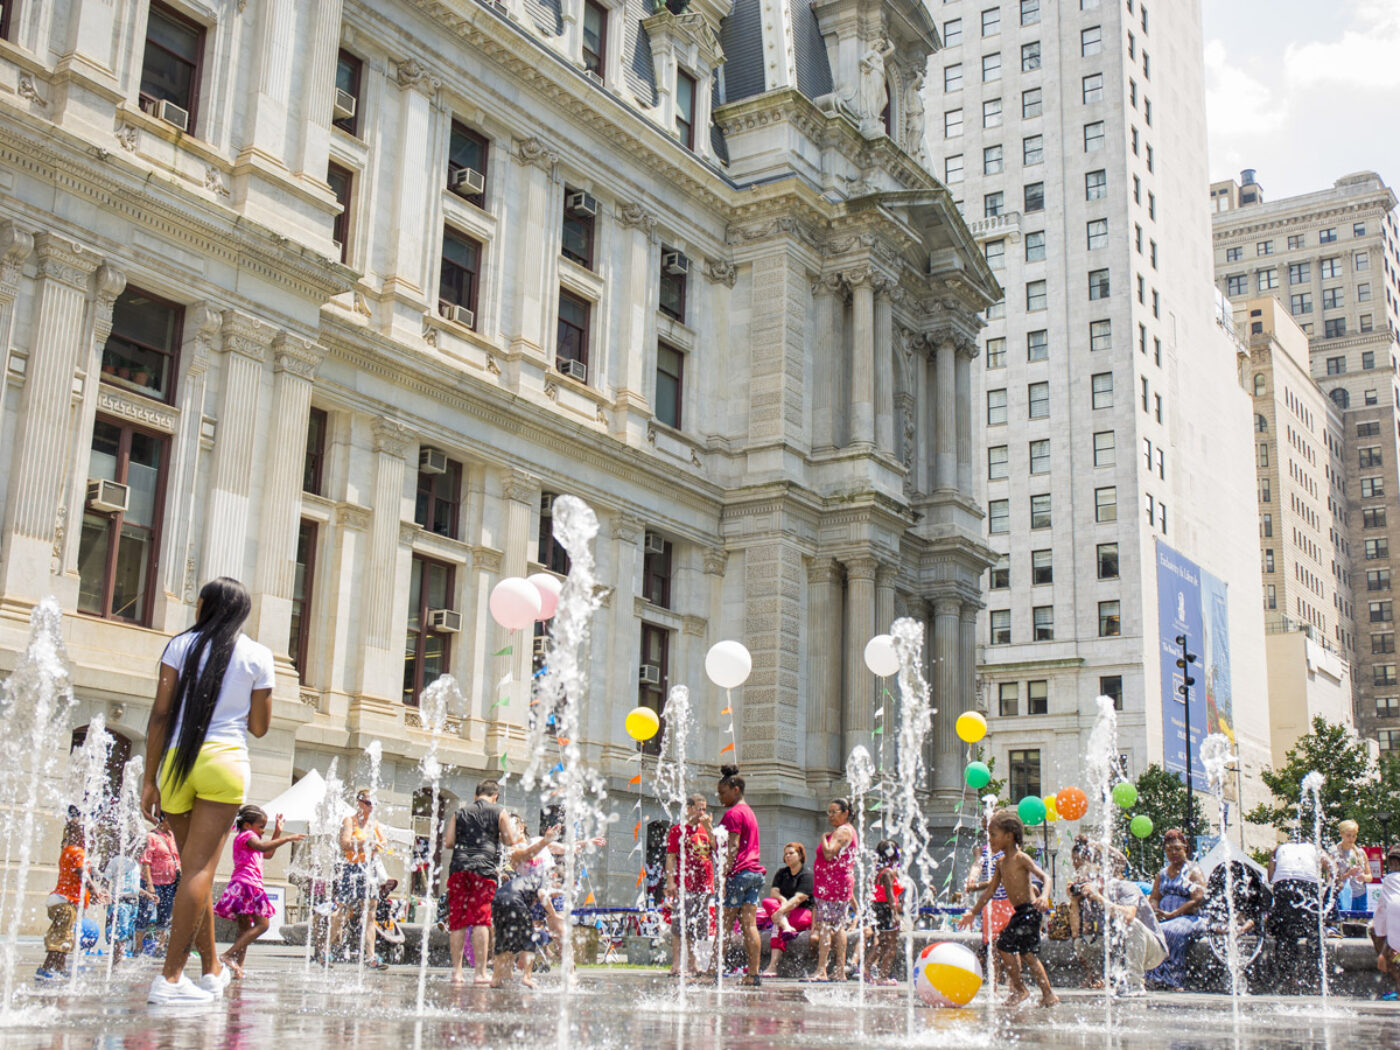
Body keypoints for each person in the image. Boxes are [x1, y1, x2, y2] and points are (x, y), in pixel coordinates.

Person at [141, 577, 275, 1005]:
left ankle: (211, 968)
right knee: (199, 874)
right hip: (224, 763)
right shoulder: (257, 655)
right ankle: (170, 978)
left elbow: (160, 716)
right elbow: (258, 727)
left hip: (178, 763)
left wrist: (149, 778)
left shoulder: (179, 645)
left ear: (204, 606)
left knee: (191, 875)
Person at [959, 810, 1057, 1007]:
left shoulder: (1021, 858)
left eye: (993, 835)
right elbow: (989, 892)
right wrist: (973, 912)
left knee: (1016, 950)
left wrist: (1045, 897)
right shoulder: (1001, 863)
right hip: (1020, 913)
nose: (990, 840)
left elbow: (1046, 877)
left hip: (1030, 910)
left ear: (1009, 836)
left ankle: (1029, 991)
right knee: (1018, 951)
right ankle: (1038, 993)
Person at [442, 779, 521, 984]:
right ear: (495, 796)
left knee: (457, 920)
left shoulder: (460, 812)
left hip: (459, 868)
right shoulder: (499, 811)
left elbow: (449, 842)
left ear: (476, 795)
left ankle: (457, 973)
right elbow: (509, 840)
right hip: (483, 871)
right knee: (480, 920)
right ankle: (479, 973)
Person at [213, 805, 303, 977]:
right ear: (247, 825)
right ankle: (227, 955)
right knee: (263, 925)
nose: (262, 830)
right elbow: (262, 847)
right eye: (261, 826)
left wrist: (277, 833)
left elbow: (267, 853)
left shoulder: (249, 837)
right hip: (248, 885)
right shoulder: (247, 836)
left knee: (244, 930)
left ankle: (238, 968)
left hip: (241, 884)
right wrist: (287, 838)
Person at [1075, 854, 1168, 998]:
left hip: (1152, 950)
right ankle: (1105, 979)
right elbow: (1079, 933)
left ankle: (1135, 983)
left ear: (1099, 879)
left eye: (1087, 881)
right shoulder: (1090, 901)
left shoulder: (1125, 887)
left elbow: (1128, 916)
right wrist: (1074, 902)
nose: (1085, 885)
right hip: (1122, 948)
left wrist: (1100, 898)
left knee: (1131, 924)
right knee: (1080, 943)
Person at [706, 765, 765, 987]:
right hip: (754, 873)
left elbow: (731, 848)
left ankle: (713, 970)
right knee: (750, 925)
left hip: (738, 873)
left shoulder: (733, 814)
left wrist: (721, 877)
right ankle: (754, 973)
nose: (719, 797)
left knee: (725, 924)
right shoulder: (749, 812)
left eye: (723, 792)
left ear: (736, 789)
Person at [490, 815, 560, 988]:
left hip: (499, 897)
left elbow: (560, 848)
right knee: (529, 935)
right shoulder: (539, 875)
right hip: (514, 898)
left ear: (521, 827)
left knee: (503, 938)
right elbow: (543, 894)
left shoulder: (531, 853)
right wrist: (554, 915)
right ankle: (527, 976)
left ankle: (497, 978)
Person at [35, 820, 105, 982]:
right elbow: (82, 873)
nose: (93, 839)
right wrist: (94, 890)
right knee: (61, 937)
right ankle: (45, 969)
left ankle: (59, 968)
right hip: (64, 903)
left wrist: (92, 895)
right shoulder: (76, 851)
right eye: (90, 835)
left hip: (65, 902)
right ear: (79, 835)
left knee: (66, 937)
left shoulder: (70, 851)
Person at [1267, 835, 1333, 993]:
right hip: (1308, 884)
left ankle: (1288, 979)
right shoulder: (1314, 848)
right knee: (1314, 931)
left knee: (1285, 933)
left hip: (1283, 885)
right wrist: (1328, 887)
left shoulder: (1279, 849)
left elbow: (1270, 877)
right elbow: (1332, 867)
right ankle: (1315, 979)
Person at [805, 798, 858, 983]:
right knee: (837, 926)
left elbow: (828, 854)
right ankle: (840, 970)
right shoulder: (848, 830)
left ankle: (822, 970)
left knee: (827, 925)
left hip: (832, 884)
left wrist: (823, 838)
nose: (830, 815)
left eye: (834, 811)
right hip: (836, 883)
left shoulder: (842, 830)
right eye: (829, 812)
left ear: (845, 813)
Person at [1146, 828, 1206, 991]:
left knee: (1169, 931)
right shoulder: (1162, 874)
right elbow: (1154, 897)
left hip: (1189, 918)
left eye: (1177, 849)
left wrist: (1174, 913)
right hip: (1166, 918)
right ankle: (1153, 977)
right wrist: (1155, 909)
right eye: (1169, 850)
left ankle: (1173, 979)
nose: (1173, 853)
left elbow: (1198, 898)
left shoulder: (1193, 871)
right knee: (1150, 931)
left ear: (1185, 848)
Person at [330, 790, 386, 963]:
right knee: (343, 910)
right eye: (368, 803)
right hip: (352, 868)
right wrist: (365, 843)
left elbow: (383, 844)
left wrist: (374, 845)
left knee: (370, 914)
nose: (371, 807)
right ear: (360, 803)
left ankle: (370, 956)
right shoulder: (350, 821)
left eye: (373, 804)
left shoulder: (374, 824)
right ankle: (325, 949)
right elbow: (345, 844)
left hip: (370, 868)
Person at [665, 794, 715, 976]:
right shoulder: (678, 830)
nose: (702, 812)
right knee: (680, 926)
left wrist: (709, 828)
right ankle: (677, 964)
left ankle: (693, 964)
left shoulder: (706, 829)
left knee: (697, 927)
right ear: (689, 809)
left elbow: (718, 849)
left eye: (704, 808)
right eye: (698, 808)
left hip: (704, 886)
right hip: (684, 885)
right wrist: (670, 881)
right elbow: (670, 857)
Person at [758, 842, 813, 976]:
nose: (787, 856)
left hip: (803, 913)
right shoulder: (782, 873)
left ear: (800, 856)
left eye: (791, 853)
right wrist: (783, 902)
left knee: (777, 923)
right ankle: (786, 926)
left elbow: (799, 898)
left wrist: (781, 911)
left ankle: (772, 966)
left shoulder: (807, 875)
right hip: (784, 912)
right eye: (786, 854)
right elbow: (774, 893)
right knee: (767, 902)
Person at [139, 817, 181, 954]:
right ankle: (138, 947)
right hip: (154, 883)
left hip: (170, 883)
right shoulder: (151, 836)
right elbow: (146, 861)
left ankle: (160, 947)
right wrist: (149, 885)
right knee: (144, 914)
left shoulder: (172, 836)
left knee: (165, 916)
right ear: (163, 821)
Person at [104, 846, 150, 968]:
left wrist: (147, 895)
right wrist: (105, 894)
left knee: (126, 935)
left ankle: (118, 962)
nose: (141, 850)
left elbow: (134, 886)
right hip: (120, 903)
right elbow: (106, 880)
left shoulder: (135, 864)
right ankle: (116, 964)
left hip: (132, 904)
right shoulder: (116, 861)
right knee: (120, 935)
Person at [868, 840, 903, 984]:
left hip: (879, 907)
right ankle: (883, 976)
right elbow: (889, 893)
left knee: (882, 943)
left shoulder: (878, 871)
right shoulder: (888, 872)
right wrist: (895, 913)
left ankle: (865, 969)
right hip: (887, 908)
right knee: (891, 944)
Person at [1369, 845, 1400, 1001]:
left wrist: (1382, 950)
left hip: (1394, 922)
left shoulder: (1388, 881)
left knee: (1375, 932)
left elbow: (1381, 912)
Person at [1333, 819, 1370, 915]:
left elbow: (1370, 877)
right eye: (1348, 835)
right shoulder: (1334, 853)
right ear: (1341, 834)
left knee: (1361, 924)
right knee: (1345, 924)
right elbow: (1332, 878)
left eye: (1354, 836)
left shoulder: (1360, 852)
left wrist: (1364, 877)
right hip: (1343, 894)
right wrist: (1348, 874)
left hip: (1360, 894)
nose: (1351, 839)